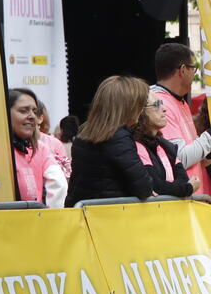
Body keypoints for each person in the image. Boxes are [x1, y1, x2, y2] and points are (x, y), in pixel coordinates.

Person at [151, 42, 211, 198]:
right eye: (193, 69)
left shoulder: (180, 102)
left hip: (193, 198)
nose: (194, 75)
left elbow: (193, 157)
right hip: (181, 200)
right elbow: (180, 159)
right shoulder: (160, 104)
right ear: (183, 70)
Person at [66, 76, 160, 206]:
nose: (141, 109)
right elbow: (143, 187)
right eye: (140, 104)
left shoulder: (84, 132)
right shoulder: (119, 138)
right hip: (110, 214)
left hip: (82, 212)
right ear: (128, 106)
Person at [131, 88, 194, 198]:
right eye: (156, 104)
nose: (164, 109)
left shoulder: (167, 146)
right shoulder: (135, 145)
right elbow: (156, 186)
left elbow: (183, 180)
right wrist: (187, 188)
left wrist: (182, 188)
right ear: (140, 112)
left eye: (162, 103)